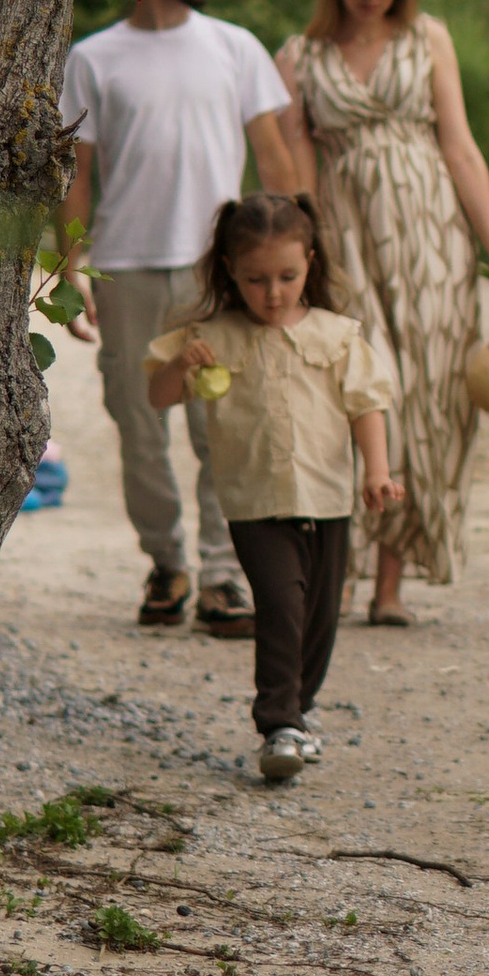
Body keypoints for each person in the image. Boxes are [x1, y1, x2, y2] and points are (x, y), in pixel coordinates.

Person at [275, 0, 489, 625]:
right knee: (360, 392)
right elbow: (296, 164)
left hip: (433, 241)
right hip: (348, 238)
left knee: (429, 398)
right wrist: (305, 252)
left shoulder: (428, 39)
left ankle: (391, 583)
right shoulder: (301, 55)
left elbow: (461, 150)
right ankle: (342, 575)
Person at [59, 0, 300, 636]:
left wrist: (295, 263)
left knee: (221, 426)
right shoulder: (94, 58)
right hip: (125, 269)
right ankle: (167, 565)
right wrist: (68, 271)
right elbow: (77, 176)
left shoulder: (235, 47)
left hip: (216, 275)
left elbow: (275, 156)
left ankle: (224, 577)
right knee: (138, 428)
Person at [143, 194, 400, 784]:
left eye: (288, 276)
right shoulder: (213, 336)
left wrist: (377, 472)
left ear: (311, 262)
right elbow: (159, 398)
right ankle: (278, 722)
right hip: (254, 501)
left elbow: (367, 406)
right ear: (230, 269)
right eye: (257, 280)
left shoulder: (338, 335)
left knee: (320, 615)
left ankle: (300, 713)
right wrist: (181, 364)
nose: (274, 292)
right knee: (281, 604)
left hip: (329, 496)